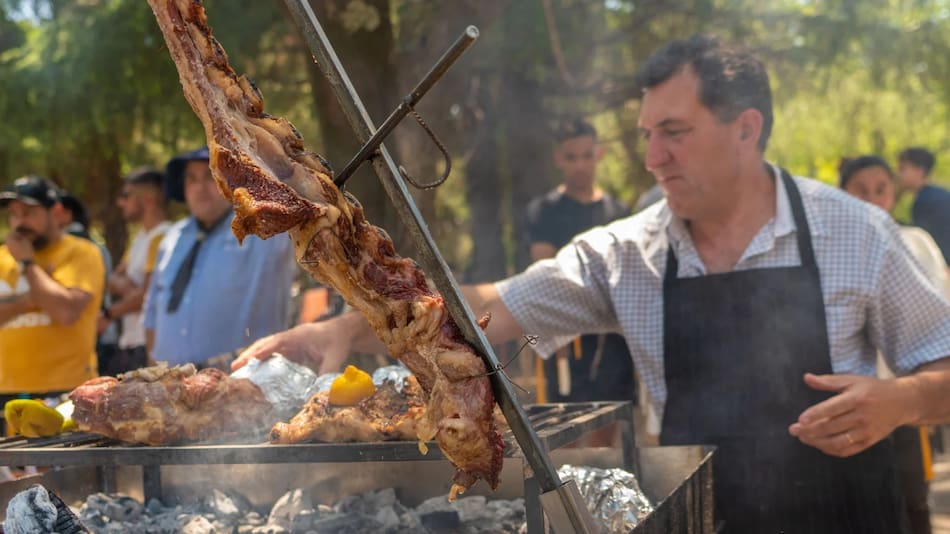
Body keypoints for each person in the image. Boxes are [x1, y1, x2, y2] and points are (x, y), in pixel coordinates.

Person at [234, 36, 950, 532]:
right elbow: (490, 306)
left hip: (844, 516)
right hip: (702, 519)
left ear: (746, 129)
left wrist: (903, 400)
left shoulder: (855, 232)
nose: (653, 157)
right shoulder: (628, 253)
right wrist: (343, 327)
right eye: (645, 135)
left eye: (674, 132)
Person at [840, 155, 945, 534]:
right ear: (842, 193)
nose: (872, 199)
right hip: (851, 401)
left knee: (913, 496)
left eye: (881, 189)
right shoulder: (832, 248)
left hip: (905, 398)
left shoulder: (916, 242)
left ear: (894, 194)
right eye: (861, 190)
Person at [525, 118, 636, 428]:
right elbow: (544, 272)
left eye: (587, 156)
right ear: (558, 159)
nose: (580, 165)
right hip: (565, 335)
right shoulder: (544, 211)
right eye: (571, 157)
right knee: (564, 425)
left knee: (610, 422)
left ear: (599, 154)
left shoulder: (619, 212)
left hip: (611, 338)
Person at [143, 147, 295, 367]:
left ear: (233, 183)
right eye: (191, 179)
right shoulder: (171, 239)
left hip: (241, 378)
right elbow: (151, 313)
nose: (200, 188)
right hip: (169, 378)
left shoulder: (262, 231)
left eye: (211, 176)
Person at [0, 176, 105, 433]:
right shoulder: (2, 256)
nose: (19, 222)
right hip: (7, 395)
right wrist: (35, 298)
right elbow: (54, 301)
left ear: (56, 212)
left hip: (67, 393)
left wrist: (27, 265)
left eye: (29, 212)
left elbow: (65, 311)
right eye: (14, 214)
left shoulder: (82, 252)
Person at [101, 168, 171, 375]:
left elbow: (148, 297)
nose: (120, 202)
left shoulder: (164, 237)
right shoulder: (141, 238)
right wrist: (136, 292)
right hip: (130, 343)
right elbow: (112, 280)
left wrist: (110, 313)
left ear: (148, 198)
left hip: (148, 344)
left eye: (126, 195)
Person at [57, 191, 120, 377]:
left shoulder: (73, 247)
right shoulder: (97, 246)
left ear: (67, 214)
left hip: (85, 337)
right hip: (104, 333)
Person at [897, 147, 950, 265]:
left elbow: (922, 242)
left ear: (919, 171)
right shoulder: (935, 194)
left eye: (903, 169)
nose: (899, 174)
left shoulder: (926, 200)